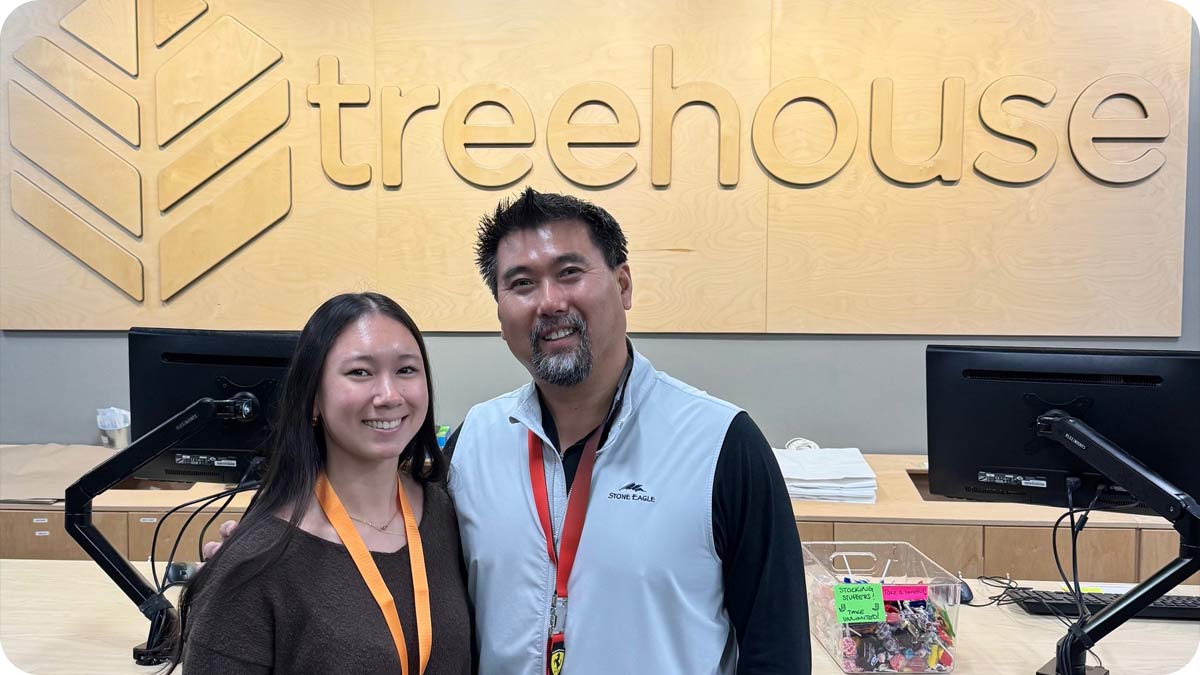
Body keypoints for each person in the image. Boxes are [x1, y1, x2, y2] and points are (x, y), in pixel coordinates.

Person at [447, 188, 811, 674]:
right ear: (500, 312)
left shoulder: (722, 444)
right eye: (522, 283)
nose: (550, 302)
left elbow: (777, 652)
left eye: (569, 273)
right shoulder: (472, 443)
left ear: (623, 286)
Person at [173, 292, 472, 673]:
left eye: (406, 370)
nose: (389, 395)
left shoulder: (445, 513)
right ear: (313, 398)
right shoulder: (256, 564)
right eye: (360, 372)